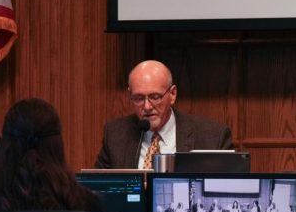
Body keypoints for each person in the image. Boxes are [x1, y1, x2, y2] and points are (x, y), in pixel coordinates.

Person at [94, 59, 233, 169]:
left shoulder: (212, 137)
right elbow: (99, 192)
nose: (147, 106)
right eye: (139, 98)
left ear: (172, 94)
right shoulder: (115, 135)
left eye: (155, 97)